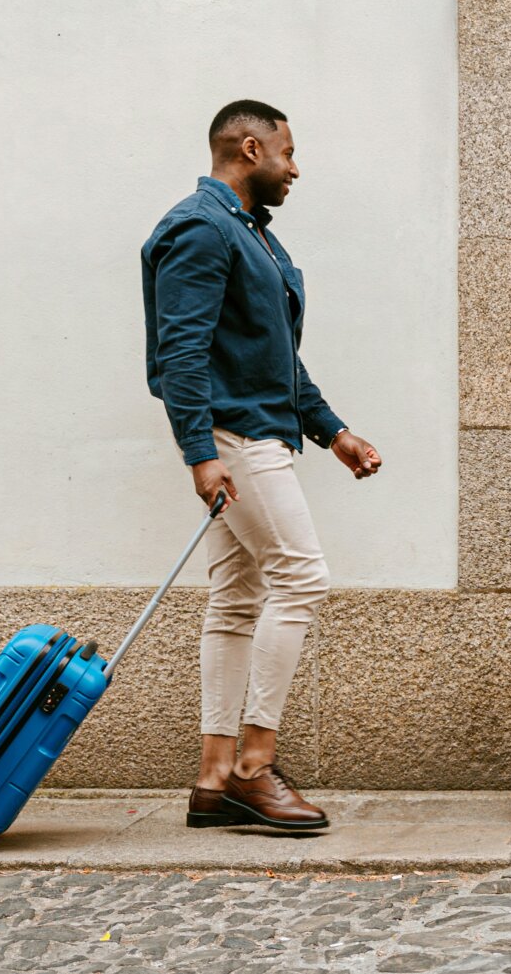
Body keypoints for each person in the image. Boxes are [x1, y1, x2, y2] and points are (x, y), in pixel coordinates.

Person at [143, 99, 382, 833]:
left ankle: (215, 776)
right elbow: (181, 354)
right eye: (287, 152)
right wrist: (200, 454)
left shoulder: (250, 236)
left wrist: (333, 431)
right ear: (250, 149)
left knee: (238, 598)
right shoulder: (202, 229)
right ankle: (253, 764)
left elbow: (276, 357)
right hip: (236, 440)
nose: (295, 167)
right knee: (302, 575)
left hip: (254, 430)